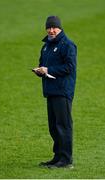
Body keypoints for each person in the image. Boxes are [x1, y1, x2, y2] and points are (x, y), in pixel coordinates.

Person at [33, 16, 77, 168]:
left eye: (54, 28)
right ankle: (58, 157)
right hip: (50, 90)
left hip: (63, 91)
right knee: (53, 126)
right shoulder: (46, 46)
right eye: (49, 27)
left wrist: (49, 70)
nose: (51, 30)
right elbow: (42, 64)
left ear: (60, 28)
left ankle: (66, 160)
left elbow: (70, 68)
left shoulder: (68, 45)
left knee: (63, 126)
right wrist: (40, 70)